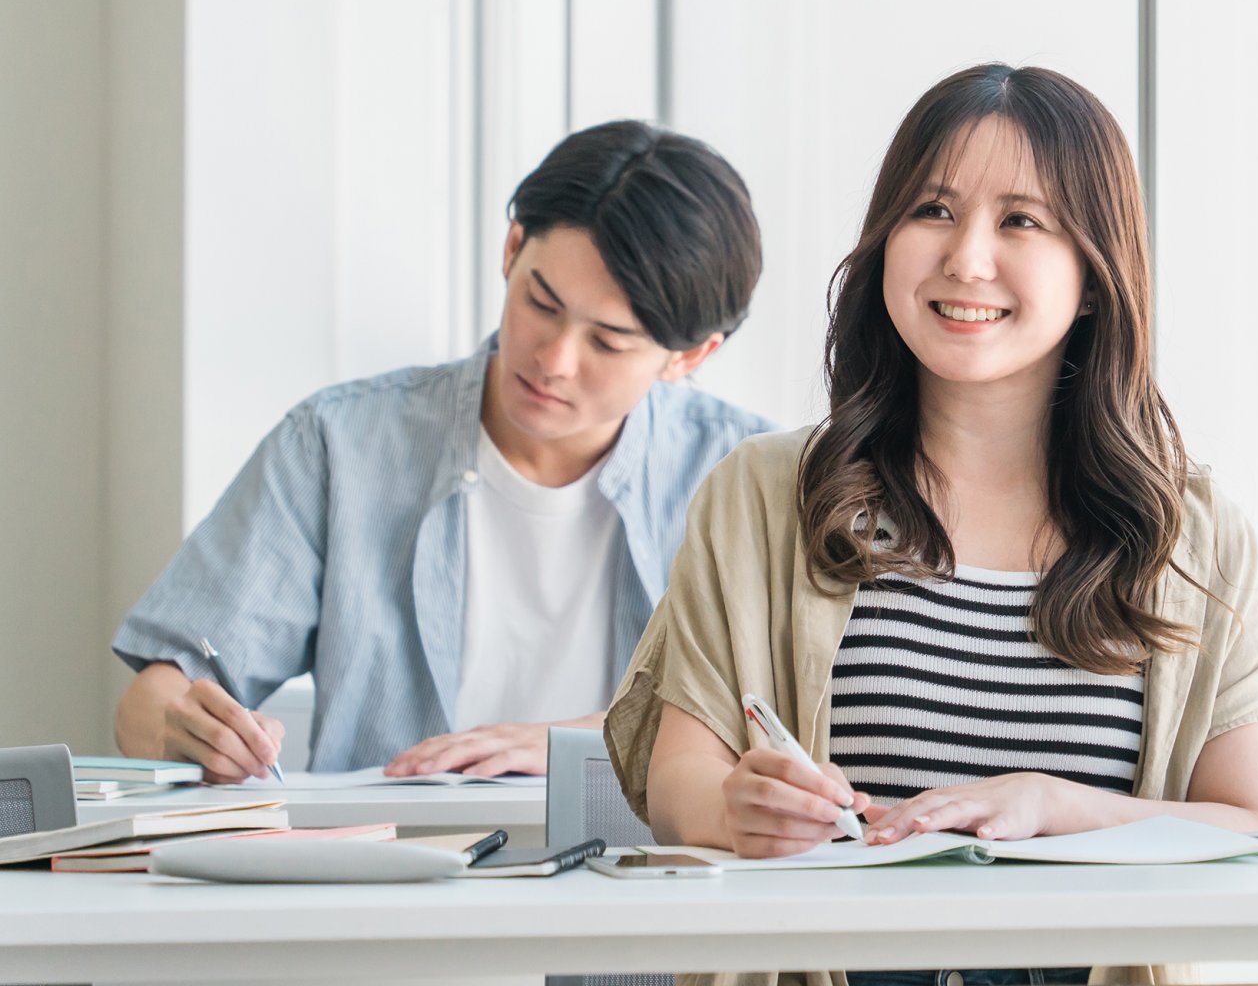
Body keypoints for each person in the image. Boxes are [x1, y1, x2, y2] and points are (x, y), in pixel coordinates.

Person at [606, 65, 1258, 986]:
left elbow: (1254, 822)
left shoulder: (1195, 534)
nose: (967, 259)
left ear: (1093, 276)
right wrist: (740, 810)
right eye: (932, 210)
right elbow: (677, 783)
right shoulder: (764, 493)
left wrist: (1052, 806)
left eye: (1021, 221)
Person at [113, 120, 775, 782]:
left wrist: (588, 742)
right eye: (540, 304)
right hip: (389, 871)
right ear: (512, 249)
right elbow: (152, 701)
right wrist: (187, 726)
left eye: (606, 342)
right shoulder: (340, 445)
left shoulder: (748, 478)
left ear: (690, 356)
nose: (554, 360)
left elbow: (792, 726)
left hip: (650, 881)